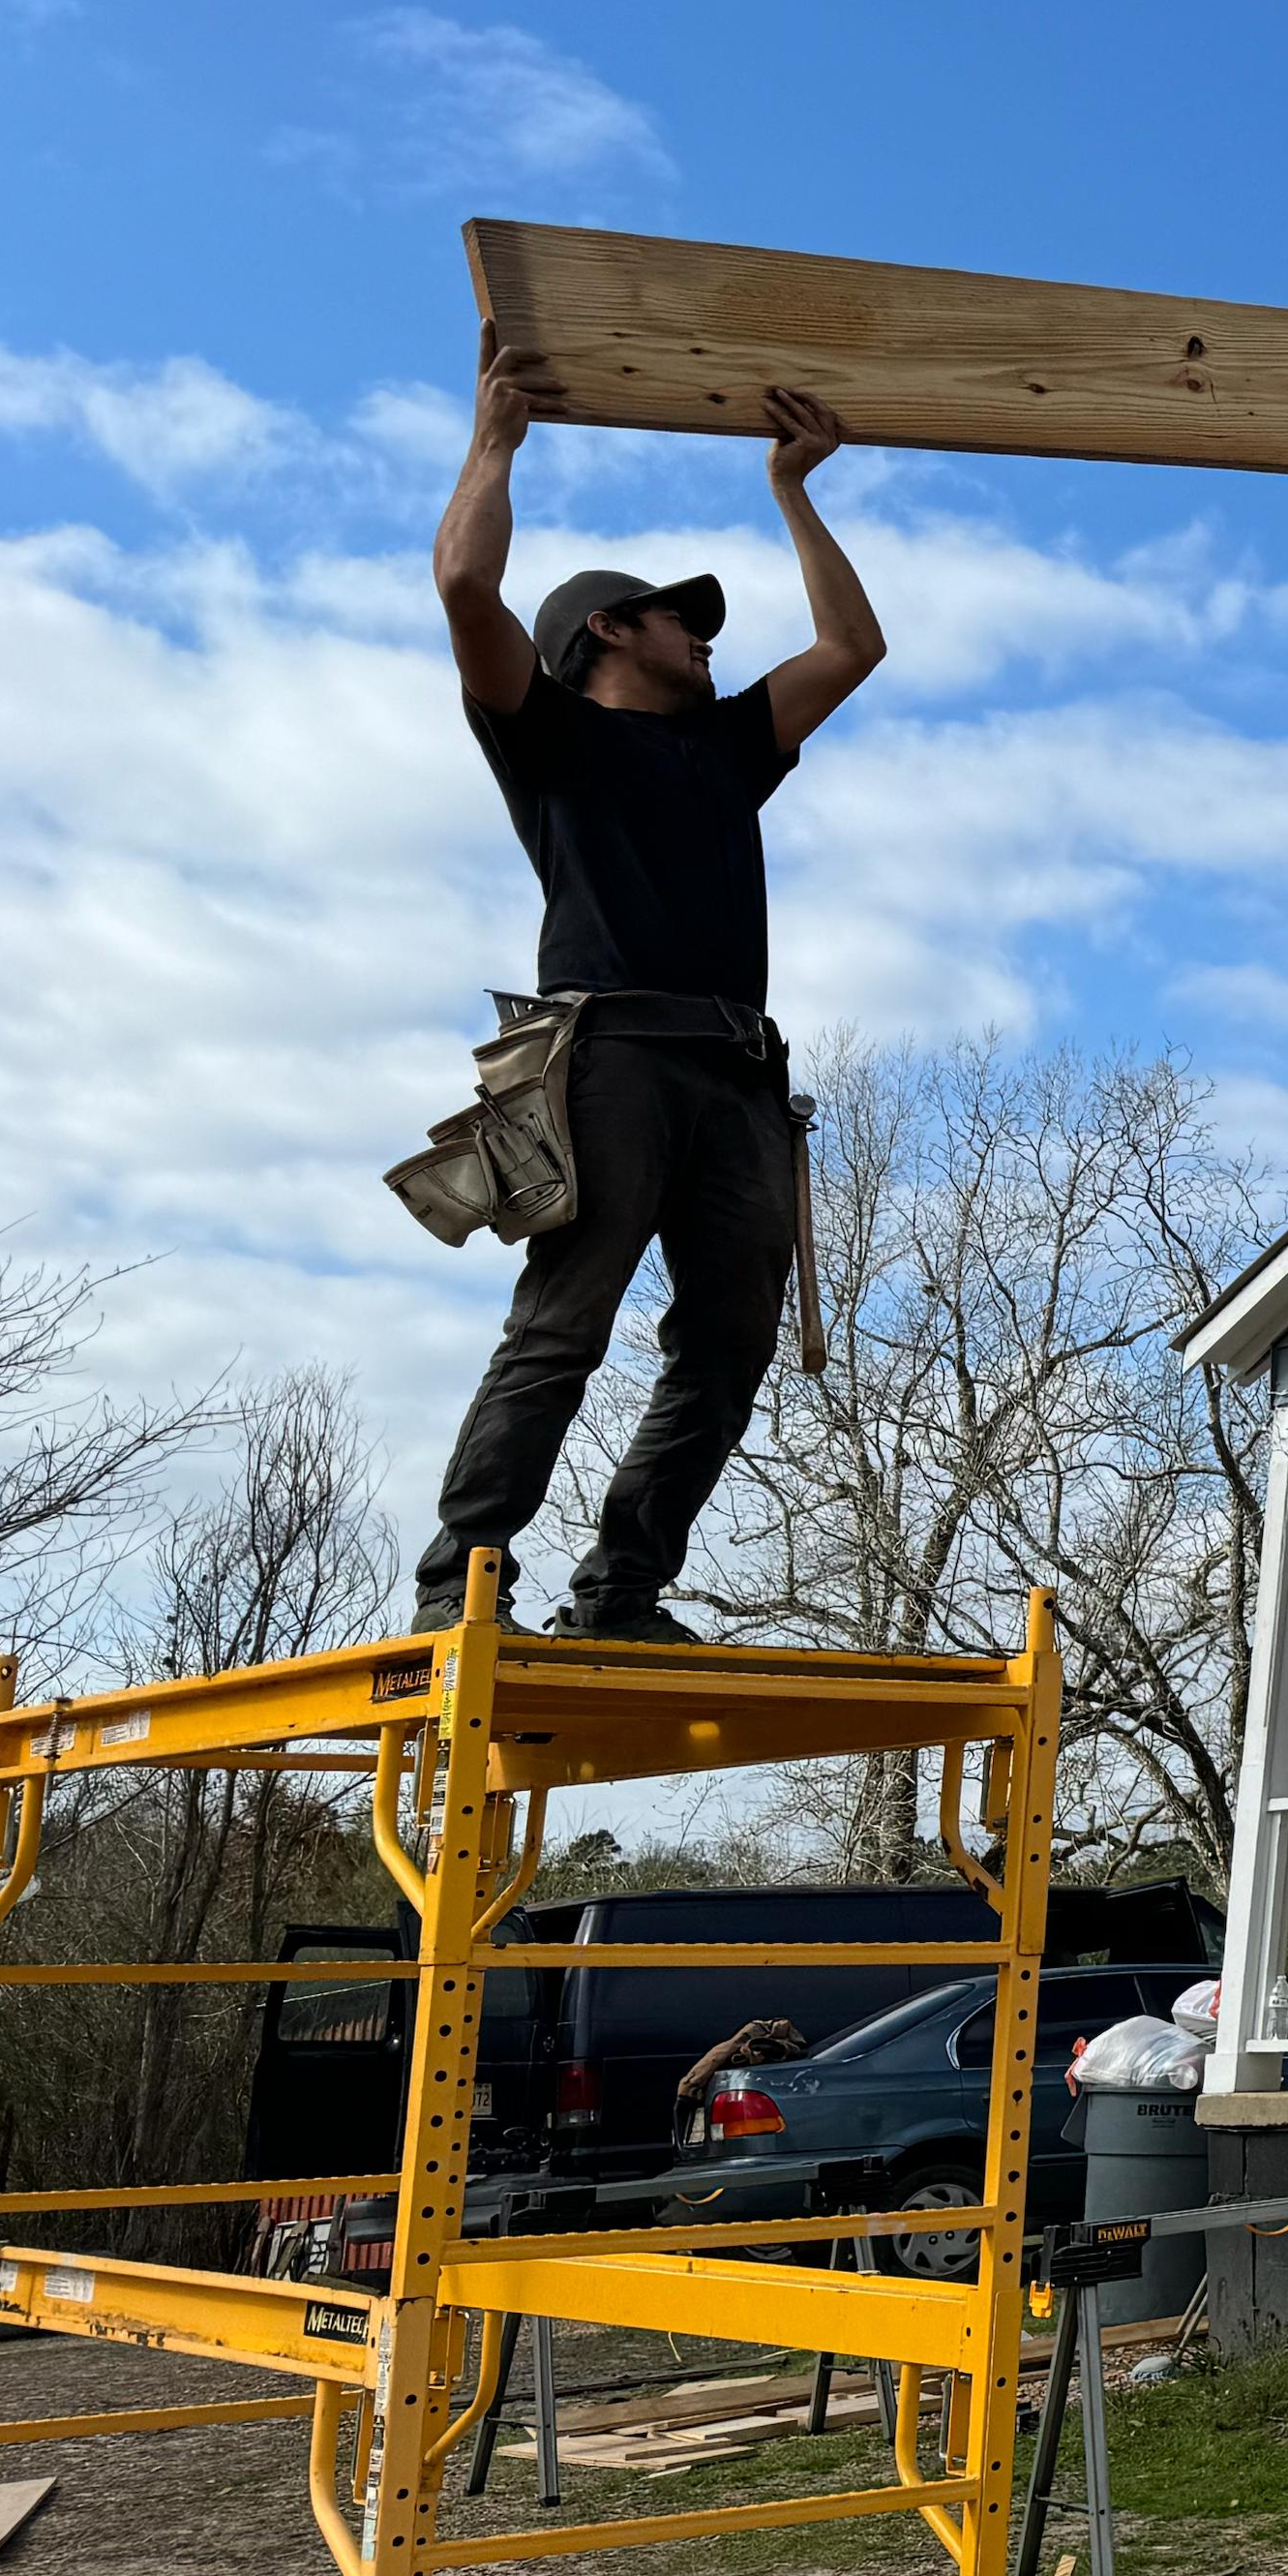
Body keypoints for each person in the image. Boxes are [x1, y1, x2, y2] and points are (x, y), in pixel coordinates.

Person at [407, 338, 885, 1638]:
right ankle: (462, 1587)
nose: (709, 639)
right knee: (566, 1325)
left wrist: (796, 490)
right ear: (608, 631)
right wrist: (495, 439)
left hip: (738, 1075)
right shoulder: (548, 735)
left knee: (729, 1350)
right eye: (687, 618)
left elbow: (854, 643)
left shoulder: (725, 751)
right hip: (609, 1057)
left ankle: (620, 1593)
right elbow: (463, 579)